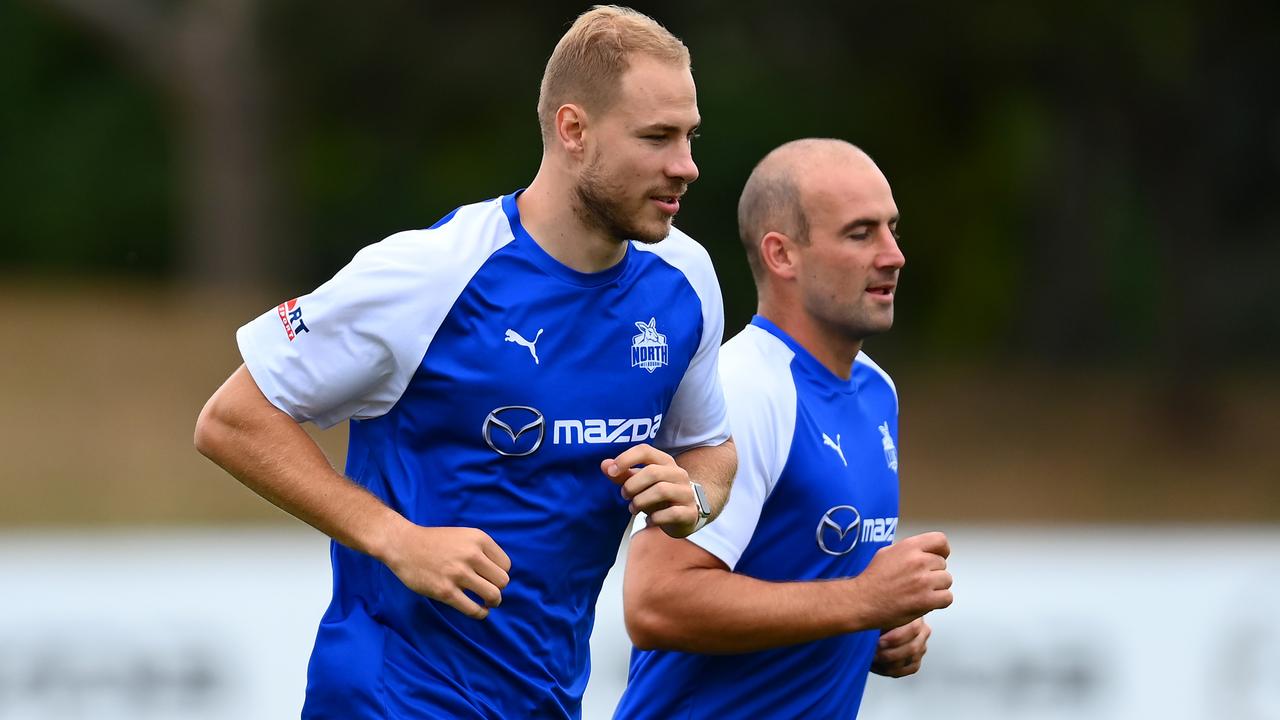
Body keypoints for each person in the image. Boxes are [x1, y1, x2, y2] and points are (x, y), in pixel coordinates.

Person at [193, 7, 736, 719]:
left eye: (690, 136)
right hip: (391, 695)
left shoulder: (685, 280)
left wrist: (694, 496)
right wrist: (397, 539)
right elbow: (232, 420)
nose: (686, 165)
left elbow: (710, 448)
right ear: (573, 131)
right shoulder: (431, 273)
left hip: (543, 697)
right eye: (656, 138)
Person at [613, 139, 953, 719]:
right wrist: (861, 600)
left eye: (892, 229)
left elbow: (808, 578)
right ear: (782, 255)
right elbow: (655, 603)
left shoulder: (876, 390)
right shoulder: (747, 387)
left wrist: (874, 632)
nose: (893, 255)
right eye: (860, 233)